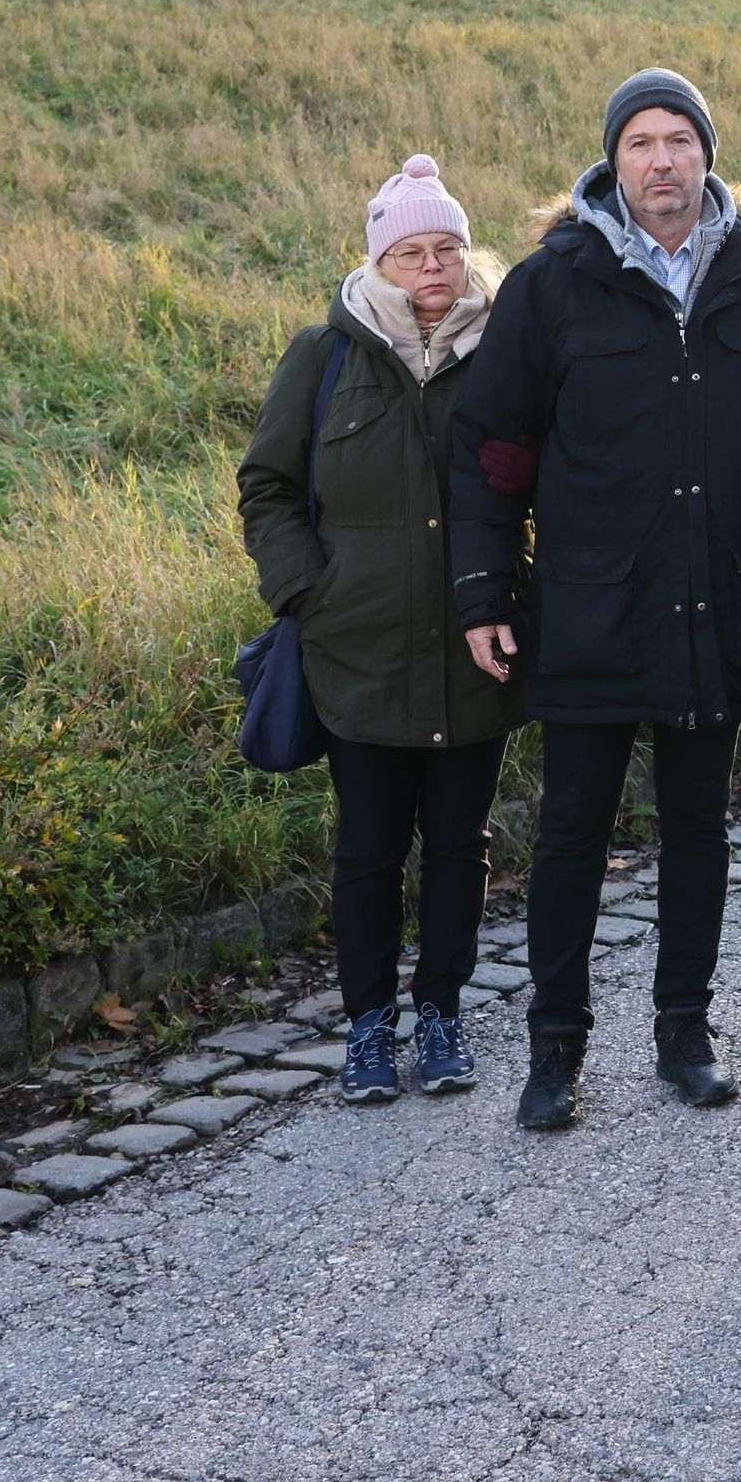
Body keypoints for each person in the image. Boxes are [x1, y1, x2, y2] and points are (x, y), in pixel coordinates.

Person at [447, 73, 741, 1131]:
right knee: (571, 832)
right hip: (592, 608)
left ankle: (683, 1033)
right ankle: (554, 1049)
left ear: (707, 155)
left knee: (700, 827)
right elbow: (493, 450)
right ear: (613, 162)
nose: (661, 160)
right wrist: (483, 589)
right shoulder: (552, 286)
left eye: (679, 140)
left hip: (718, 606)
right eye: (640, 143)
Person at [240, 155, 521, 1107]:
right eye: (411, 252)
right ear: (379, 262)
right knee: (367, 845)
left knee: (458, 843)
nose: (434, 268)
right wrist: (308, 594)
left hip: (477, 645)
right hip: (352, 648)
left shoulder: (505, 350)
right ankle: (367, 1026)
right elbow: (268, 487)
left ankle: (440, 1013)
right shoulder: (324, 355)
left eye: (448, 248)